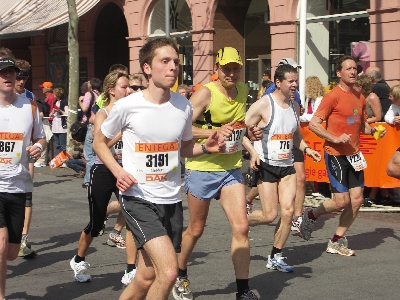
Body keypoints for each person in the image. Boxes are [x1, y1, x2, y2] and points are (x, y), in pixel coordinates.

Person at [93, 37, 225, 300]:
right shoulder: (127, 106)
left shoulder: (183, 106)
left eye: (176, 61)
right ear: (147, 68)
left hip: (172, 200)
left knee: (145, 278)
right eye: (164, 61)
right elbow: (100, 143)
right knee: (169, 272)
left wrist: (207, 148)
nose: (173, 67)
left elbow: (184, 148)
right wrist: (119, 172)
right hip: (139, 199)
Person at [174, 46, 259, 300]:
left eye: (236, 69)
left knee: (241, 227)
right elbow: (180, 127)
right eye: (226, 69)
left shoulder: (243, 91)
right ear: (217, 70)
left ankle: (242, 291)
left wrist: (250, 140)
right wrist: (213, 132)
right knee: (196, 229)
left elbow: (239, 126)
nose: (231, 74)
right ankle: (180, 273)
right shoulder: (205, 94)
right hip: (202, 168)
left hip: (231, 168)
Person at [300, 55, 385, 256]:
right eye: (348, 69)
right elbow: (313, 124)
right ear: (339, 73)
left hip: (354, 155)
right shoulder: (332, 97)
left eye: (355, 68)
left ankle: (337, 240)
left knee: (356, 200)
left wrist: (373, 130)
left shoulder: (360, 96)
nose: (353, 72)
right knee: (341, 201)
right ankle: (311, 214)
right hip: (335, 153)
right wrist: (335, 138)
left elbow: (361, 123)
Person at [245, 64, 321, 273]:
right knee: (270, 215)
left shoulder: (295, 107)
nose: (295, 84)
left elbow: (295, 135)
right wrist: (252, 152)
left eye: (296, 81)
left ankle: (275, 255)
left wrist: (306, 149)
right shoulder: (263, 105)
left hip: (287, 166)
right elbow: (240, 131)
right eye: (291, 81)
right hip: (267, 165)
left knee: (287, 212)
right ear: (278, 83)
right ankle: (241, 221)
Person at [69, 71, 132, 283]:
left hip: (126, 169)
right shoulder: (103, 114)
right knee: (96, 225)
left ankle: (131, 269)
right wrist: (121, 134)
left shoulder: (133, 112)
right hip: (103, 170)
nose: (128, 90)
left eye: (129, 86)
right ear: (112, 90)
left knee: (132, 217)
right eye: (124, 87)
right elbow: (99, 145)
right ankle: (79, 260)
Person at [0, 57, 46, 299]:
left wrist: (39, 147)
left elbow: (41, 138)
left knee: (11, 252)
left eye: (12, 73)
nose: (8, 77)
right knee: (0, 246)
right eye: (3, 73)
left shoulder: (30, 107)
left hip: (18, 184)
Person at [13, 59, 41, 258]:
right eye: (19, 76)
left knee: (27, 194)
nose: (21, 81)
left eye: (25, 77)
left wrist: (38, 146)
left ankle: (23, 238)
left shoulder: (30, 99)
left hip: (25, 154)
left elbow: (39, 134)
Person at [80, 77, 102, 188]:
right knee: (96, 154)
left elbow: (84, 108)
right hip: (99, 125)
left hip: (90, 125)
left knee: (89, 155)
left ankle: (88, 180)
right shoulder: (101, 96)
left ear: (91, 86)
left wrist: (80, 101)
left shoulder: (89, 94)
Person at [49, 87, 68, 156]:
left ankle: (64, 160)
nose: (53, 95)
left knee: (63, 145)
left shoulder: (65, 101)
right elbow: (52, 113)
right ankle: (58, 161)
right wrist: (52, 113)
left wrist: (59, 110)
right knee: (57, 145)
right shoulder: (55, 102)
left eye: (54, 94)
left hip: (62, 126)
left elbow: (67, 114)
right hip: (55, 126)